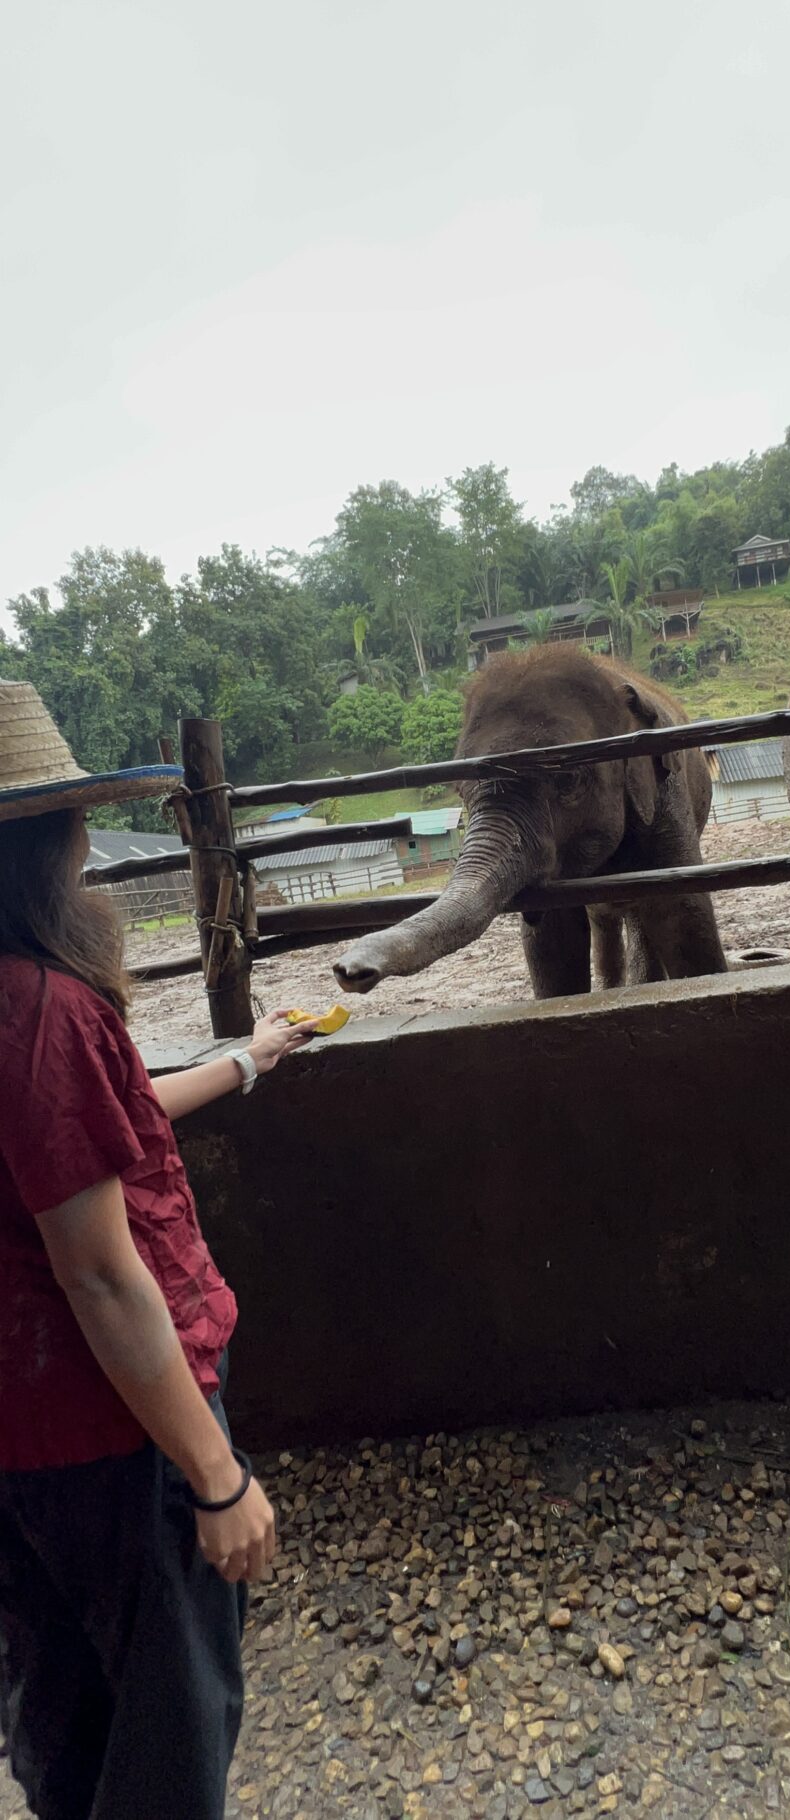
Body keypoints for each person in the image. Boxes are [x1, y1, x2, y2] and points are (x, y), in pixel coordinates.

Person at [0, 680, 318, 1820]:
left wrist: (247, 1056)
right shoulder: (42, 1007)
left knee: (61, 1706)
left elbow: (92, 1134)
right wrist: (214, 1475)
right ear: (55, 833)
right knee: (171, 1718)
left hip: (15, 1438)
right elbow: (97, 1269)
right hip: (112, 1428)